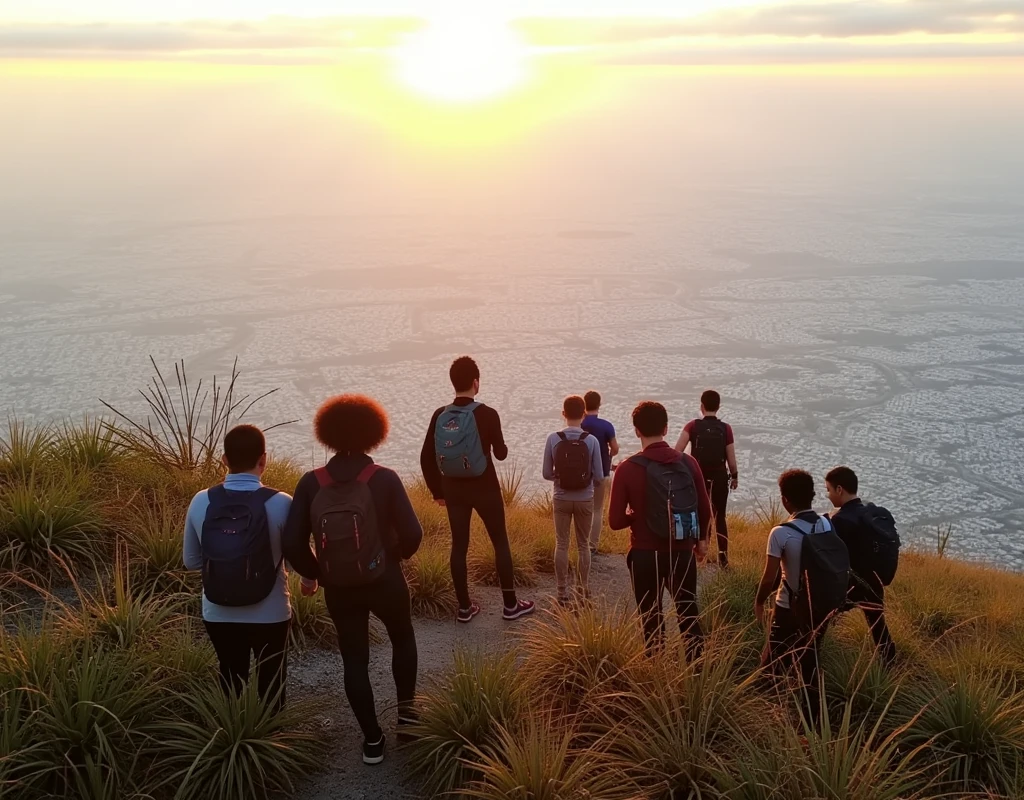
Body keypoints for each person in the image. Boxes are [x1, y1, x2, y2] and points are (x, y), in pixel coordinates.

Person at [283, 395, 422, 766]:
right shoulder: (385, 479)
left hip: (340, 588)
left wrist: (317, 574)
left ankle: (372, 740)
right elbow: (414, 533)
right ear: (374, 433)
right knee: (402, 638)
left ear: (326, 434)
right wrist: (394, 558)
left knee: (354, 659)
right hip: (385, 579)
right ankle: (407, 720)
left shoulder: (311, 483)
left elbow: (292, 543)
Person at [183, 424, 295, 711]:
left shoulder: (201, 500)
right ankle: (272, 740)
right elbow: (294, 564)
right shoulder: (282, 503)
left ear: (224, 459)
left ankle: (232, 733)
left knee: (230, 673)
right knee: (272, 679)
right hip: (270, 612)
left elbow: (191, 561)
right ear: (264, 459)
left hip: (218, 610)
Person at [420, 356, 534, 623]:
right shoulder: (488, 413)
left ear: (452, 382)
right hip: (485, 488)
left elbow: (426, 457)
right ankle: (510, 606)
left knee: (459, 545)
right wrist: (497, 445)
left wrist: (437, 492)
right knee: (500, 543)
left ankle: (464, 608)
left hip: (453, 490)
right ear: (476, 382)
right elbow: (502, 454)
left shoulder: (440, 414)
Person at [609, 401, 711, 659]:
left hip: (645, 554)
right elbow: (705, 508)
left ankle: (655, 672)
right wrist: (701, 542)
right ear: (666, 429)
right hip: (681, 550)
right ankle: (698, 672)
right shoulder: (689, 463)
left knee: (651, 616)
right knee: (688, 610)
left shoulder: (627, 468)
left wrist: (635, 516)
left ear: (636, 431)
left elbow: (615, 521)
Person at [755, 470, 847, 724]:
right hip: (819, 605)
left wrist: (760, 601)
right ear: (812, 495)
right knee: (810, 660)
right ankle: (812, 720)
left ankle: (762, 713)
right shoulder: (826, 523)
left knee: (773, 660)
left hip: (788, 607)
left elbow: (768, 578)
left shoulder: (780, 533)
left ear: (785, 500)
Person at [825, 466, 898, 666]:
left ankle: (818, 652)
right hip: (874, 581)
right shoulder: (871, 511)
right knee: (877, 625)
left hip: (851, 585)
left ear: (840, 489)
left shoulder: (841, 520)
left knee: (822, 614)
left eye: (829, 490)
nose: (828, 495)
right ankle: (890, 662)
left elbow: (833, 557)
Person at [542, 394, 605, 605]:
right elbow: (598, 476)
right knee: (583, 545)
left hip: (561, 497)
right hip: (585, 499)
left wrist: (559, 478)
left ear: (563, 414)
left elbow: (545, 473)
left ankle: (561, 592)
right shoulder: (592, 440)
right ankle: (583, 589)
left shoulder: (553, 438)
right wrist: (586, 484)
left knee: (561, 543)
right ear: (584, 413)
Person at [675, 390, 738, 568]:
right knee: (720, 517)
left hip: (697, 476)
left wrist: (685, 471)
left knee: (699, 513)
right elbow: (731, 460)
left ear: (701, 406)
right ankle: (723, 557)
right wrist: (734, 476)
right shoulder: (726, 429)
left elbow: (677, 451)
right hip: (719, 476)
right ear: (719, 407)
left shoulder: (692, 426)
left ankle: (699, 553)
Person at [581, 390, 618, 555]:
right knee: (597, 509)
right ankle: (592, 545)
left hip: (580, 473)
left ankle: (580, 542)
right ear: (599, 404)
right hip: (601, 471)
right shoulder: (606, 426)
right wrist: (609, 455)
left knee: (581, 507)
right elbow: (615, 448)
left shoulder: (579, 424)